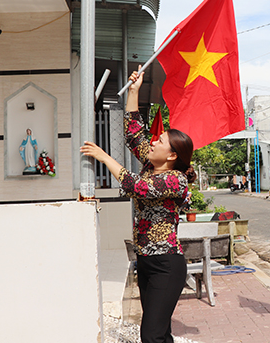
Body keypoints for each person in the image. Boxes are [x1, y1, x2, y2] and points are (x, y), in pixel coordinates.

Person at [80, 67, 195, 343]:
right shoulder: (151, 166)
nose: (154, 141)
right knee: (161, 334)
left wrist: (103, 156)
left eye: (161, 141)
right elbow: (134, 134)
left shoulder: (175, 180)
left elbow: (136, 187)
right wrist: (134, 90)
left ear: (172, 155)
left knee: (151, 335)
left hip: (166, 265)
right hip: (146, 261)